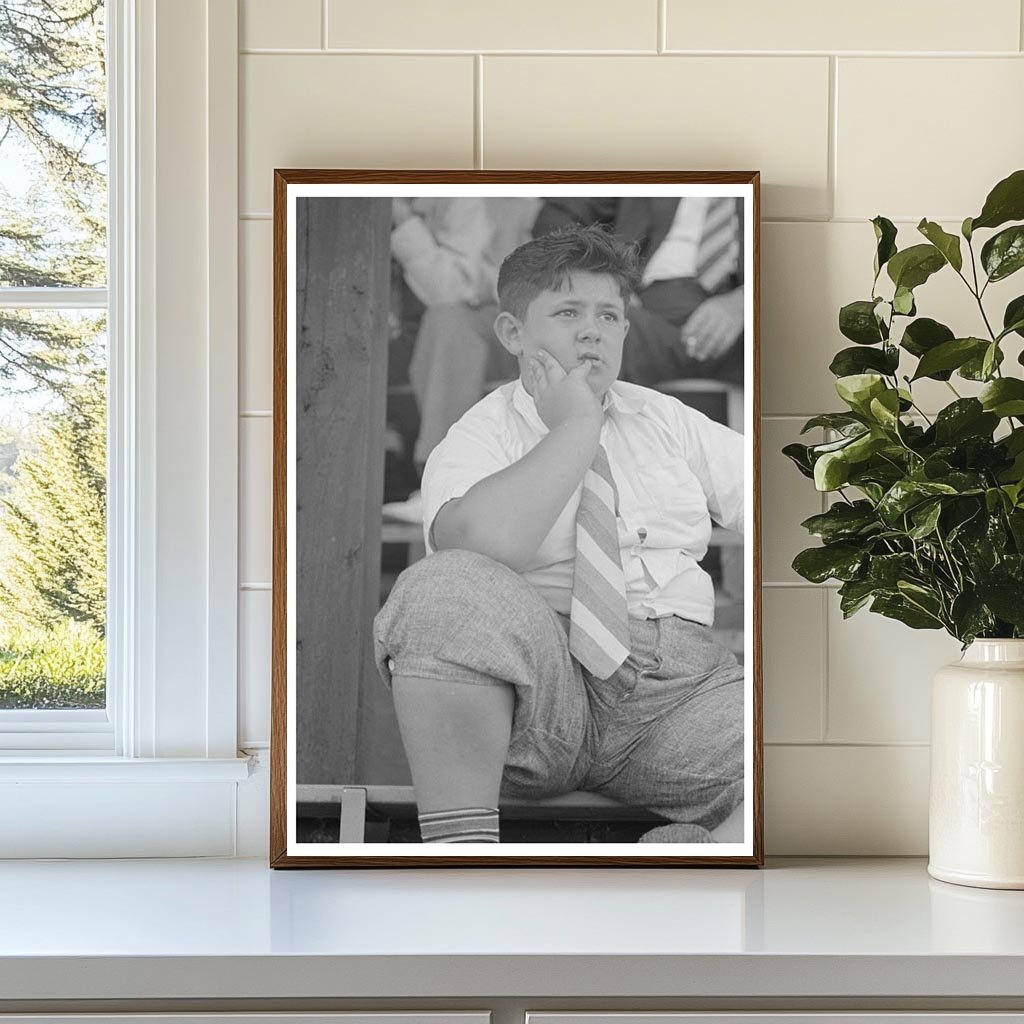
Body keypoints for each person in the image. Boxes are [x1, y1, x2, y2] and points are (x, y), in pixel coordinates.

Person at [373, 225, 745, 845]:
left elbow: (785, 498)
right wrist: (576, 426)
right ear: (514, 333)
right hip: (543, 696)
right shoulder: (481, 433)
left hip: (677, 695)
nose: (592, 330)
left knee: (800, 743)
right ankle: (463, 863)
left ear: (627, 329)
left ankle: (704, 855)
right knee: (436, 588)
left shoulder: (667, 420)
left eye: (609, 314)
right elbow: (479, 552)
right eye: (568, 311)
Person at [391, 196, 539, 472]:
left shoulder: (461, 198)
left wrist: (403, 221)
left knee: (450, 321)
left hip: (482, 327)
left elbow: (456, 289)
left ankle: (446, 476)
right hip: (396, 338)